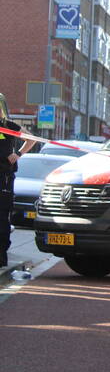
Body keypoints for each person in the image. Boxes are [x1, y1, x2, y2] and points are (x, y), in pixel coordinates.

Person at [0, 100, 39, 267]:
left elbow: (31, 139)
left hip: (4, 178)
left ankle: (1, 257)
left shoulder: (8, 126)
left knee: (2, 218)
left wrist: (18, 153)